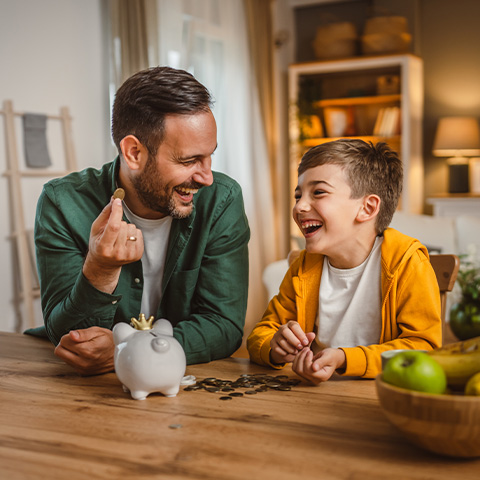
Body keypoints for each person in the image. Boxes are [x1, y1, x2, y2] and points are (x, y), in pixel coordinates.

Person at [33, 66, 250, 375]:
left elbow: (223, 325)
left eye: (209, 156)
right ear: (134, 152)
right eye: (189, 160)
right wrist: (100, 270)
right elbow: (71, 339)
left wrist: (129, 350)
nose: (207, 178)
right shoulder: (63, 203)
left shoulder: (222, 201)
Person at [247, 139, 441, 384]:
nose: (299, 206)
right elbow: (259, 334)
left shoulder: (408, 262)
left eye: (318, 192)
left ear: (367, 208)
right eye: (298, 195)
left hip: (379, 397)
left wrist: (345, 359)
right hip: (310, 397)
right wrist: (274, 347)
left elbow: (424, 347)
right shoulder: (304, 266)